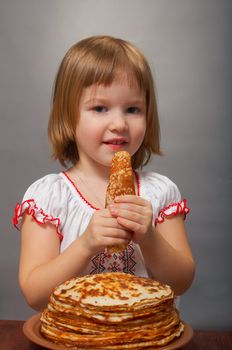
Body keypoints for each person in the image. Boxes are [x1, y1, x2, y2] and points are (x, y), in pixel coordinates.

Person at [13, 35, 195, 311]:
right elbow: (35, 294)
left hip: (146, 337)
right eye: (100, 108)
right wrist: (85, 245)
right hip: (75, 337)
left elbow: (181, 282)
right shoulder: (49, 197)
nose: (119, 123)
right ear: (68, 116)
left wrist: (149, 237)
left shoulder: (160, 193)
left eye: (133, 109)